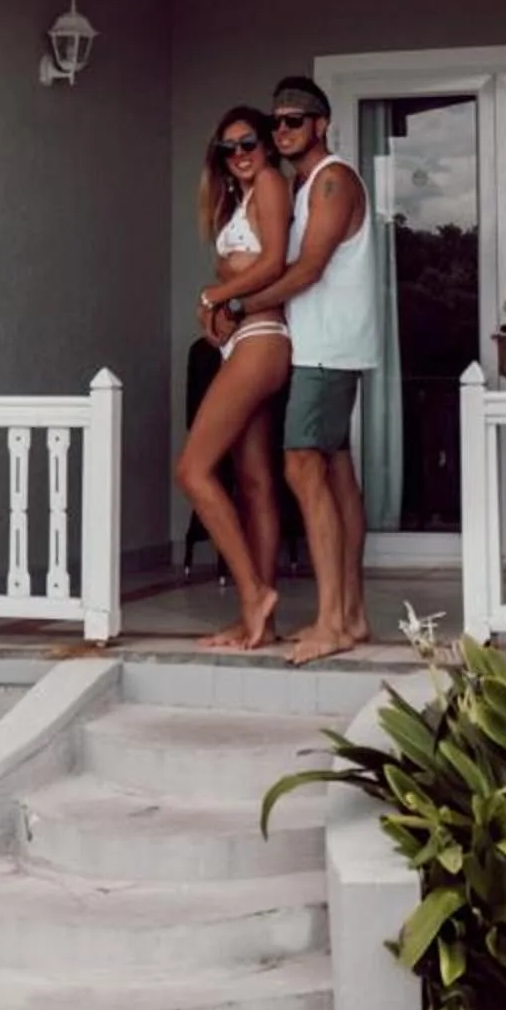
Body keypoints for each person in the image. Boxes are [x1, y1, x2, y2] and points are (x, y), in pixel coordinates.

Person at [219, 75, 380, 663]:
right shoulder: (304, 184)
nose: (282, 130)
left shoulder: (334, 179)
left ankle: (332, 623)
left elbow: (309, 269)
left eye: (295, 120)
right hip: (318, 347)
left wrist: (238, 306)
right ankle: (351, 615)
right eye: (277, 121)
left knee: (301, 466)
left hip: (327, 349)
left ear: (321, 124)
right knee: (335, 475)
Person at [177, 106, 293, 651]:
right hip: (242, 341)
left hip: (262, 338)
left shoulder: (270, 183)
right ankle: (260, 624)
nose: (241, 154)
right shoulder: (238, 199)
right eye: (229, 148)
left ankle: (253, 594)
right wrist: (221, 302)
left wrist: (213, 295)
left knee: (193, 470)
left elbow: (273, 264)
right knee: (253, 482)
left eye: (249, 143)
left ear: (266, 146)